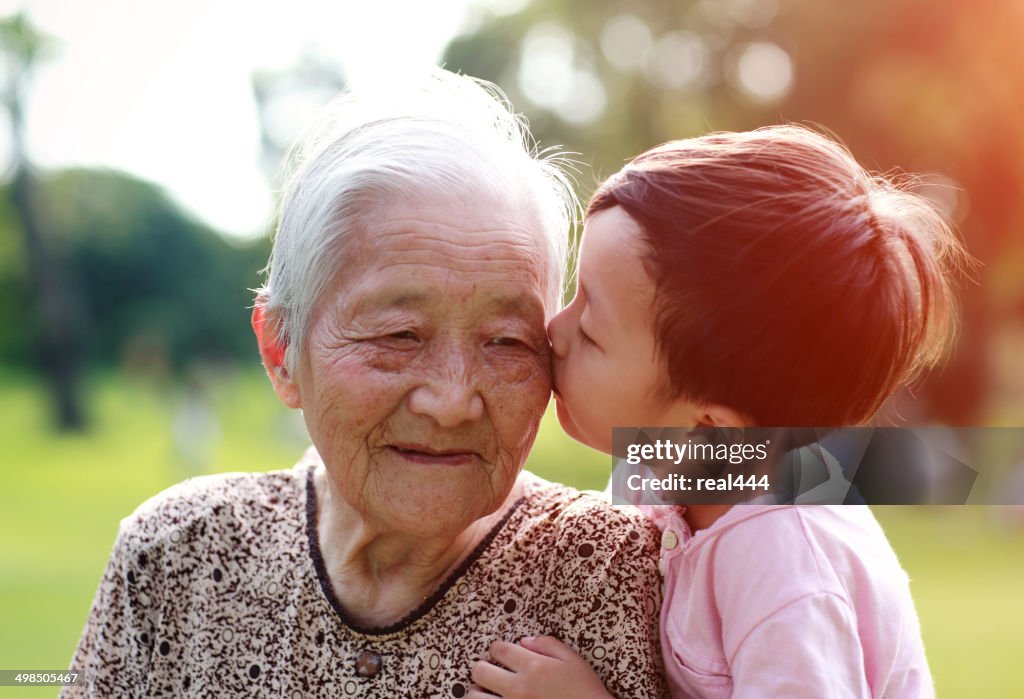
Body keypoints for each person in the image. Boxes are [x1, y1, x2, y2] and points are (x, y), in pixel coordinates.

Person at [63, 69, 668, 698]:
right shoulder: (175, 552)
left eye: (506, 341)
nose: (453, 400)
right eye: (399, 336)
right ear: (281, 351)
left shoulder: (622, 562)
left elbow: (775, 458)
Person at [470, 126, 965, 698]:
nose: (554, 330)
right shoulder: (666, 468)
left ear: (707, 425)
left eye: (592, 330)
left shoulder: (785, 567)